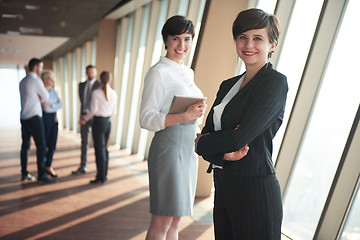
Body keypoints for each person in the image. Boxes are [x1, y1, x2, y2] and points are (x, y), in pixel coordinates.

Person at [194, 8, 288, 239]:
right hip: (224, 186)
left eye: (258, 38)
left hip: (255, 190)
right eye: (242, 37)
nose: (249, 45)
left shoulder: (274, 83)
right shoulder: (228, 86)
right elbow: (205, 136)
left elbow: (238, 138)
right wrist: (222, 154)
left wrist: (203, 143)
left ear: (272, 44)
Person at [139, 15, 207, 240]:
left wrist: (195, 114)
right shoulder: (158, 72)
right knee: (163, 219)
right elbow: (146, 118)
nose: (182, 45)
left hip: (187, 148)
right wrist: (185, 115)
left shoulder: (187, 72)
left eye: (187, 39)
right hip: (168, 147)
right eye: (176, 39)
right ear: (165, 40)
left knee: (176, 219)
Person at [19, 58, 57, 184]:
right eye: (41, 67)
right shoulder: (36, 81)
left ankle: (24, 173)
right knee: (41, 145)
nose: (41, 69)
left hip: (24, 117)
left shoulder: (23, 81)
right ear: (36, 67)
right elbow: (45, 97)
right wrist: (40, 96)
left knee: (25, 146)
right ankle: (42, 176)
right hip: (35, 117)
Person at [79, 71, 117, 184]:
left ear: (100, 80)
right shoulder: (113, 93)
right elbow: (114, 112)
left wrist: (84, 119)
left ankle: (100, 177)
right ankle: (104, 175)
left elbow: (93, 111)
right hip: (108, 123)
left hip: (99, 123)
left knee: (99, 150)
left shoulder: (96, 93)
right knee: (104, 149)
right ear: (109, 79)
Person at [73, 65, 100, 175]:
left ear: (95, 73)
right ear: (86, 73)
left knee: (97, 143)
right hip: (84, 116)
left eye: (92, 72)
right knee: (84, 142)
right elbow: (82, 102)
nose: (90, 74)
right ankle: (83, 166)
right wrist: (81, 115)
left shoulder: (100, 85)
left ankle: (99, 170)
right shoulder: (81, 85)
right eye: (88, 72)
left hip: (95, 117)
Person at [41, 70, 62, 178]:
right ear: (45, 80)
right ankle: (42, 167)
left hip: (54, 119)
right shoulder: (41, 91)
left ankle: (49, 165)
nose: (52, 80)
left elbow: (60, 104)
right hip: (45, 119)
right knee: (45, 144)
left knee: (53, 144)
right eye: (50, 78)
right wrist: (53, 105)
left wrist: (51, 105)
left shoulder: (54, 91)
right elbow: (44, 107)